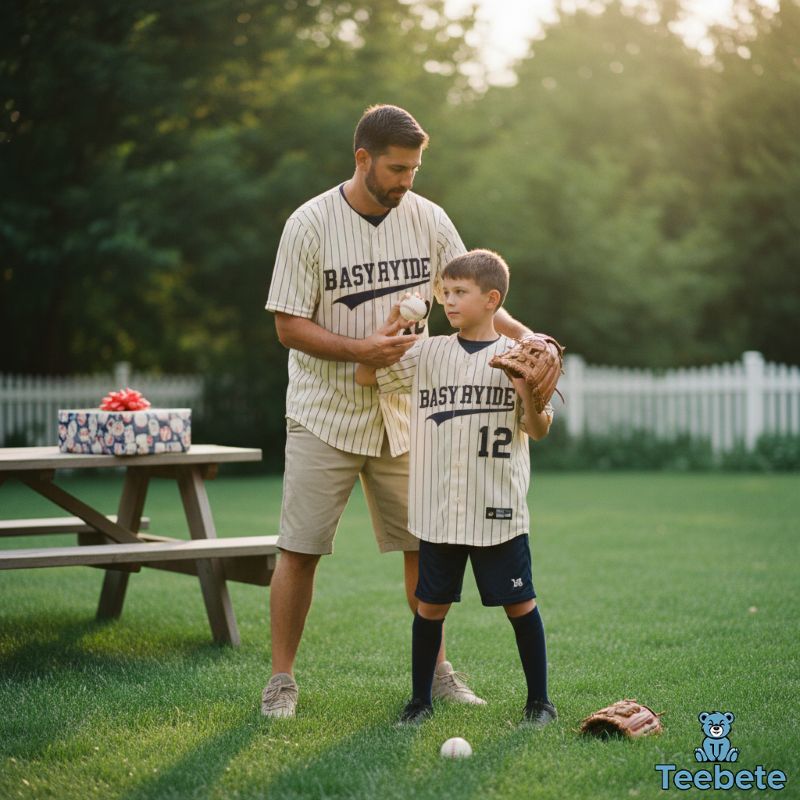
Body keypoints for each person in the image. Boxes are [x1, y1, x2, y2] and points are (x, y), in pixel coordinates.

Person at [263, 105, 531, 718]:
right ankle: (281, 681)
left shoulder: (428, 218)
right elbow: (287, 325)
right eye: (396, 168)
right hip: (323, 410)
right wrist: (363, 349)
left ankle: (438, 673)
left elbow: (481, 298)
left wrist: (529, 338)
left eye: (413, 168)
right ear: (362, 158)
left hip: (409, 412)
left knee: (425, 546)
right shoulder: (309, 225)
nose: (406, 180)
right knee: (300, 549)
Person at [355, 249, 557, 726]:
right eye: (444, 292)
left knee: (520, 603)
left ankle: (540, 702)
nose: (448, 300)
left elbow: (539, 429)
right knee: (430, 607)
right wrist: (387, 330)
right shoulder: (427, 352)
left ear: (492, 299)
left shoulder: (518, 358)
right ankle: (420, 701)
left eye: (460, 292)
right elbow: (367, 376)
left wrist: (527, 390)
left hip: (497, 507)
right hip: (438, 507)